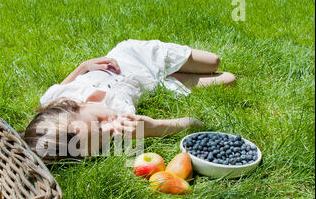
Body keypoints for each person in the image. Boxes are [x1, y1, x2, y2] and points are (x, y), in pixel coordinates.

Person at [21, 39, 236, 159]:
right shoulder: (122, 129)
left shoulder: (54, 98)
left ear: (77, 105)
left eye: (98, 122)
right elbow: (195, 124)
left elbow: (61, 86)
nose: (108, 128)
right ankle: (172, 75)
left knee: (213, 62)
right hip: (157, 84)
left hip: (135, 56)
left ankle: (172, 69)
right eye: (101, 140)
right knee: (228, 79)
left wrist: (83, 67)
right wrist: (154, 127)